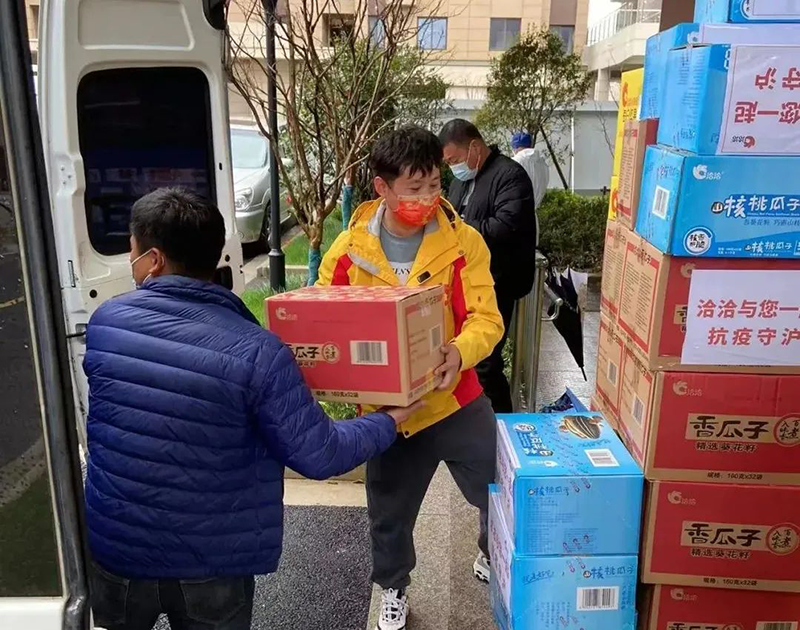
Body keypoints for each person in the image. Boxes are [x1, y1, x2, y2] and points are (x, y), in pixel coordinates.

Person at [83, 187, 419, 630]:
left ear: (155, 260)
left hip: (118, 551)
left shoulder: (106, 324)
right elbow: (320, 454)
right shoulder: (258, 350)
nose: (132, 260)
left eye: (133, 250)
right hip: (213, 561)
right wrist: (388, 420)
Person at [318, 126, 504, 630]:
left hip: (456, 398)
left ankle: (493, 552)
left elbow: (487, 319)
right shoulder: (348, 252)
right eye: (414, 188)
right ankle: (394, 588)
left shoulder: (463, 243)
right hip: (388, 415)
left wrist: (458, 352)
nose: (427, 198)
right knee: (389, 513)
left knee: (498, 488)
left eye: (435, 185)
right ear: (382, 187)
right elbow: (324, 319)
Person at [439, 119, 537, 414]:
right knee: (464, 354)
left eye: (454, 160)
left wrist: (462, 229)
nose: (453, 167)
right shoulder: (460, 181)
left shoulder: (510, 175)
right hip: (462, 280)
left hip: (499, 280)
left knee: (487, 360)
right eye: (448, 163)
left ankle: (502, 422)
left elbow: (506, 226)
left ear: (474, 147)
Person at [511, 131, 549, 244]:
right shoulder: (542, 164)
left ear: (515, 147)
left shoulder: (514, 163)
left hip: (515, 218)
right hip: (532, 218)